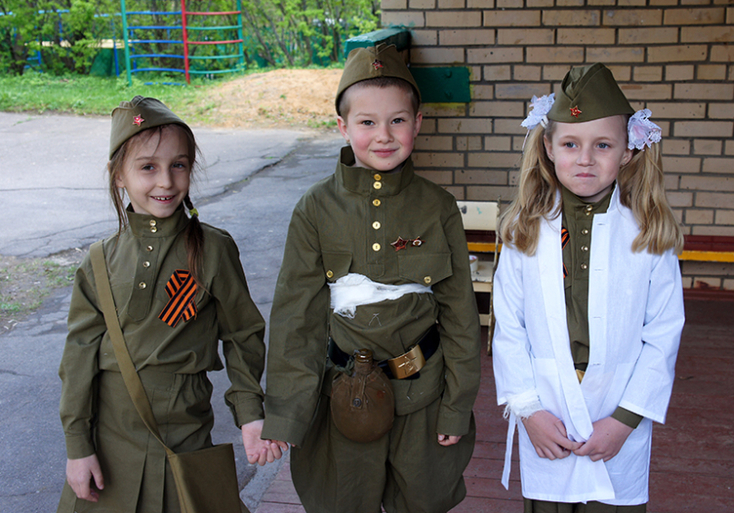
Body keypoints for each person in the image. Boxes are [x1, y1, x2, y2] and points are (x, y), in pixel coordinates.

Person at [261, 44, 481, 513]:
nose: (383, 135)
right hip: (342, 399)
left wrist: (457, 406)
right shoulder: (315, 209)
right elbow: (296, 319)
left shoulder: (438, 207)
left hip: (422, 398)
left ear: (418, 122)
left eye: (397, 120)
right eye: (366, 122)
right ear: (342, 126)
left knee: (421, 502)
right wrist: (287, 414)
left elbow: (460, 315)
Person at [57, 96, 284, 512]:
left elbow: (242, 334)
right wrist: (77, 446)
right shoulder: (99, 262)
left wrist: (250, 413)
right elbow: (78, 356)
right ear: (118, 175)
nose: (165, 181)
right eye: (148, 167)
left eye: (178, 165)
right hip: (108, 443)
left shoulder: (213, 249)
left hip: (184, 436)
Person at [492, 63, 685, 512]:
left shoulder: (648, 235)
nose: (585, 159)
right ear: (548, 147)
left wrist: (624, 421)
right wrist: (529, 411)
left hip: (617, 413)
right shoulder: (524, 233)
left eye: (602, 145)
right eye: (570, 144)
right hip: (547, 414)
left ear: (627, 151)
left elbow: (663, 333)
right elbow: (509, 329)